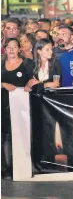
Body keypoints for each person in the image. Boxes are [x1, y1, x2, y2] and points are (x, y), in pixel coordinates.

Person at [1, 38, 34, 179]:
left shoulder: (27, 63)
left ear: (19, 49)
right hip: (4, 106)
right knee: (6, 136)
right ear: (5, 49)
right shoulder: (1, 64)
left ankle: (25, 166)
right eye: (9, 47)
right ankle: (8, 168)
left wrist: (29, 85)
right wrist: (3, 84)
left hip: (23, 107)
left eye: (15, 47)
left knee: (23, 134)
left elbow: (33, 79)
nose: (12, 49)